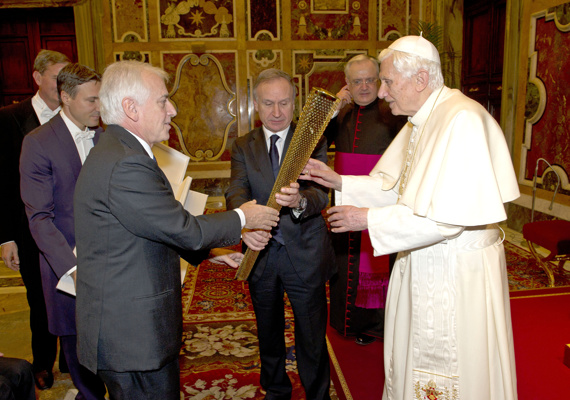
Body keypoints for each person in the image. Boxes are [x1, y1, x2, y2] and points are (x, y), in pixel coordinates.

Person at [300, 35, 519, 399]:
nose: (381, 92)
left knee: (453, 370)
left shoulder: (460, 119)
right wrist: (338, 180)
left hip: (453, 272)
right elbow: (398, 187)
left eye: (387, 81)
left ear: (419, 79)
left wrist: (367, 219)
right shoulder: (423, 118)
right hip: (425, 259)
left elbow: (448, 219)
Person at [73, 60, 279, 400]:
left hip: (130, 330)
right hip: (132, 339)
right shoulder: (126, 162)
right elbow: (183, 229)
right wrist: (244, 217)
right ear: (131, 108)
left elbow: (151, 227)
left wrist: (212, 254)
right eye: (162, 100)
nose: (172, 110)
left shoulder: (121, 150)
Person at [225, 68, 335, 400]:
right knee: (268, 330)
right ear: (255, 105)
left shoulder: (312, 139)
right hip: (262, 252)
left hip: (305, 251)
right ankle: (276, 389)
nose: (277, 112)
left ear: (294, 102)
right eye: (269, 103)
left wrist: (301, 200)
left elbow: (321, 193)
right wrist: (248, 223)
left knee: (312, 334)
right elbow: (235, 191)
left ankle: (317, 394)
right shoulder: (243, 145)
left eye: (284, 103)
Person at [19, 63, 107, 400]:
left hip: (112, 258)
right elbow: (39, 217)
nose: (99, 108)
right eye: (91, 101)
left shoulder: (107, 135)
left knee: (110, 342)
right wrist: (71, 269)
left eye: (101, 99)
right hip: (66, 266)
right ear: (66, 97)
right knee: (77, 345)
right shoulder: (38, 143)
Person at [323, 54, 406, 345]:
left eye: (371, 79)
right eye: (357, 81)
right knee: (345, 264)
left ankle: (377, 326)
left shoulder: (394, 113)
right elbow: (312, 141)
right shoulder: (342, 112)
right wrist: (333, 108)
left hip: (378, 202)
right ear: (347, 84)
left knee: (376, 263)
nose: (365, 87)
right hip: (344, 199)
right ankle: (343, 322)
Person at [0, 49, 70, 390]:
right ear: (37, 78)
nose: (61, 85)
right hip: (28, 230)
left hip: (70, 228)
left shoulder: (76, 116)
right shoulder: (10, 118)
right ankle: (43, 362)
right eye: (56, 78)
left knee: (74, 291)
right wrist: (5, 238)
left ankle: (72, 358)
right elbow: (1, 183)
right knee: (39, 299)